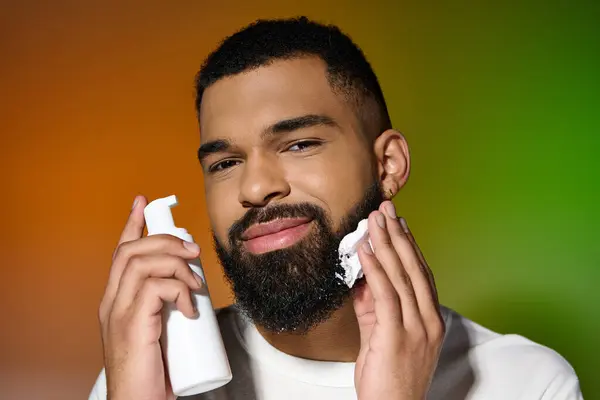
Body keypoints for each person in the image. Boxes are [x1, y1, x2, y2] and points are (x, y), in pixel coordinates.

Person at [88, 16, 582, 400]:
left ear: (387, 164)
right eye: (225, 162)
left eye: (299, 144)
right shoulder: (153, 371)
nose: (255, 187)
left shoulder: (525, 383)